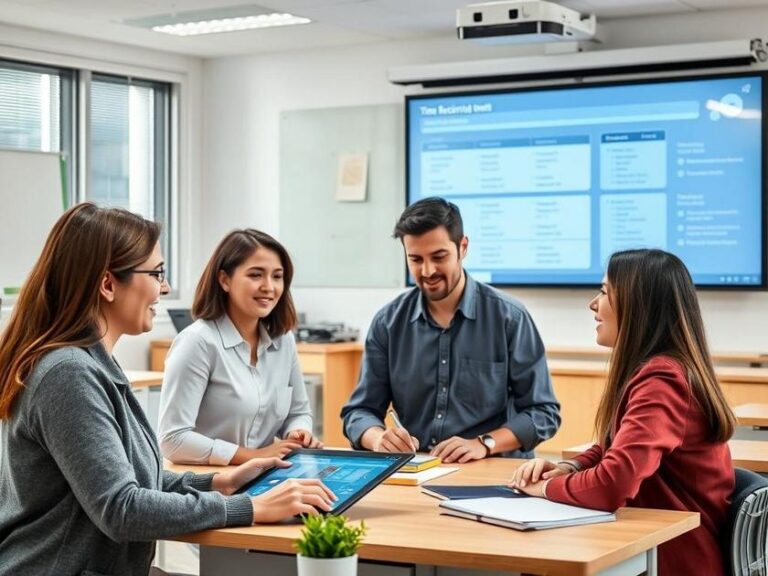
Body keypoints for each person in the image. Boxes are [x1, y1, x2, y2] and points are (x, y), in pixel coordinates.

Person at [0, 203, 335, 575]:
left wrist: (220, 482)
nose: (166, 287)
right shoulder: (69, 374)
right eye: (156, 273)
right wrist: (251, 507)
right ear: (108, 284)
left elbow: (130, 477)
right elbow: (122, 508)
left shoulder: (91, 364)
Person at [509, 248, 735, 576]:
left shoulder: (663, 379)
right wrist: (566, 468)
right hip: (656, 549)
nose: (593, 304)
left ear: (638, 306)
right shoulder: (662, 370)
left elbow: (612, 484)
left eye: (603, 292)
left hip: (674, 560)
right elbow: (615, 447)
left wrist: (541, 489)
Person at [341, 197, 560, 462]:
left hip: (493, 470)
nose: (428, 270)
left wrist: (484, 443)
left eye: (439, 257)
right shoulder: (388, 322)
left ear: (463, 247)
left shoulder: (509, 318)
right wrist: (378, 438)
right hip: (417, 472)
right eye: (416, 260)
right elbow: (359, 412)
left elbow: (543, 412)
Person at [159, 229, 321, 466]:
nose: (269, 287)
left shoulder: (283, 340)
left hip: (266, 476)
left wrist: (298, 432)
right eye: (256, 275)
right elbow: (173, 439)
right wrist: (253, 457)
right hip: (210, 487)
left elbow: (298, 413)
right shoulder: (198, 342)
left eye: (277, 276)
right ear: (224, 279)